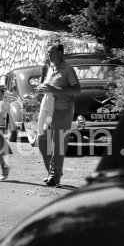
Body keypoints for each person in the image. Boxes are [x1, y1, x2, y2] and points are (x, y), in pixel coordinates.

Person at [38, 42, 81, 187]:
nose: (49, 54)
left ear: (61, 53)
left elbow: (77, 90)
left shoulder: (68, 70)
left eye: (52, 52)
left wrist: (55, 90)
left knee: (58, 145)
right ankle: (54, 172)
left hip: (63, 110)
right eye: (48, 52)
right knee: (42, 141)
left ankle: (54, 177)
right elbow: (46, 85)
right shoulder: (49, 68)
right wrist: (41, 89)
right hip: (48, 109)